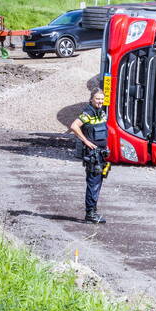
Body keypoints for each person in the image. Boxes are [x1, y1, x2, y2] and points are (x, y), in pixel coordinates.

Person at [69, 88, 110, 224]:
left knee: (98, 182)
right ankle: (90, 214)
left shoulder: (102, 113)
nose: (100, 101)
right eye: (97, 99)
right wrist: (86, 141)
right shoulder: (87, 113)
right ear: (91, 99)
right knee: (93, 183)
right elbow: (74, 126)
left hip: (101, 153)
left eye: (102, 99)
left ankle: (94, 211)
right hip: (93, 155)